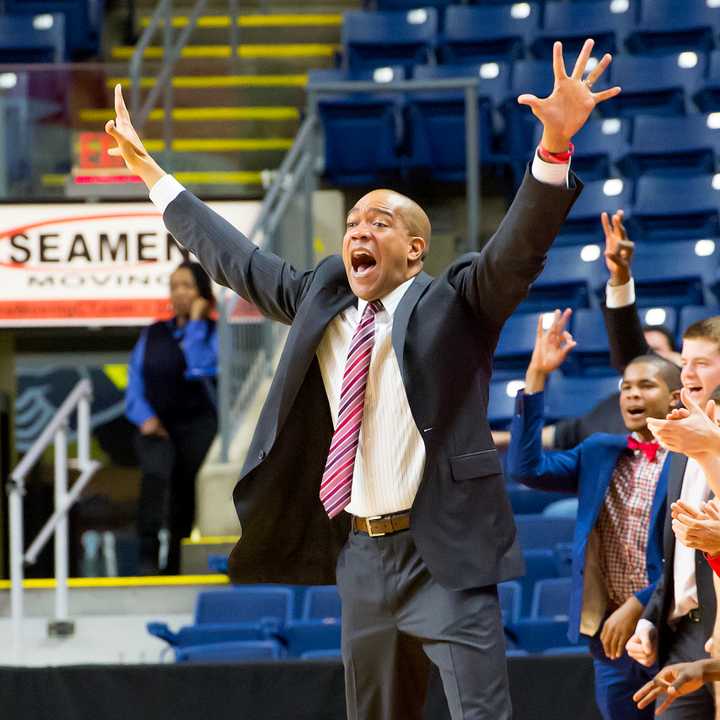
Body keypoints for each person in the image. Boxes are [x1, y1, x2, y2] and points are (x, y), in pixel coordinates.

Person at [107, 39, 619, 720]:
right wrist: (154, 178)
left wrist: (553, 146)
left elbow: (515, 253)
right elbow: (235, 259)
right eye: (352, 221)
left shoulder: (455, 301)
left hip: (445, 551)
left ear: (415, 248)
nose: (359, 230)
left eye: (380, 221)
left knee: (482, 715)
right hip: (362, 555)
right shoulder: (322, 294)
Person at [506, 308, 681, 720]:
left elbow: (686, 554)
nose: (632, 395)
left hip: (672, 627)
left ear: (675, 397)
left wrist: (638, 606)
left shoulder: (691, 460)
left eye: (646, 385)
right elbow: (525, 468)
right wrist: (537, 374)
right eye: (625, 387)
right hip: (610, 636)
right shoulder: (600, 451)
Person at [601, 212, 720, 717]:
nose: (685, 371)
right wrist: (651, 620)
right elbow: (635, 361)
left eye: (701, 363)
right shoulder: (675, 431)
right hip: (680, 637)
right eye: (683, 361)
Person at [125, 260, 218, 574]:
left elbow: (200, 367)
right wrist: (145, 417)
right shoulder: (152, 333)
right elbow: (134, 381)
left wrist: (195, 324)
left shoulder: (214, 333)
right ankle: (147, 556)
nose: (179, 292)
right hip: (156, 426)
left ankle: (175, 563)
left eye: (187, 286)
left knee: (184, 493)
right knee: (155, 477)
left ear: (202, 293)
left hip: (196, 425)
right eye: (175, 286)